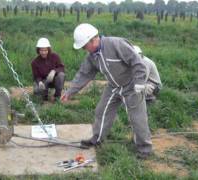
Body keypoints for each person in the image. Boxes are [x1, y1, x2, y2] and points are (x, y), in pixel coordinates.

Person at [61, 23, 152, 159]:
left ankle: (144, 149)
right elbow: (84, 74)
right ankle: (97, 139)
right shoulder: (92, 56)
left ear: (93, 39)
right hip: (113, 87)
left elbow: (137, 61)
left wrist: (139, 82)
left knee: (137, 118)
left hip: (131, 86)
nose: (85, 49)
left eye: (85, 46)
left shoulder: (116, 44)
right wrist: (70, 92)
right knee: (101, 111)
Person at [31, 37, 65, 102]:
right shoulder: (34, 62)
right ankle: (44, 95)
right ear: (38, 50)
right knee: (38, 93)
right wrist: (40, 82)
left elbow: (62, 68)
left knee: (61, 75)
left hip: (54, 81)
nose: (43, 53)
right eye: (41, 50)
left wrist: (54, 71)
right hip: (44, 82)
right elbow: (36, 76)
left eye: (45, 50)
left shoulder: (55, 56)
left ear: (48, 50)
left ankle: (57, 97)